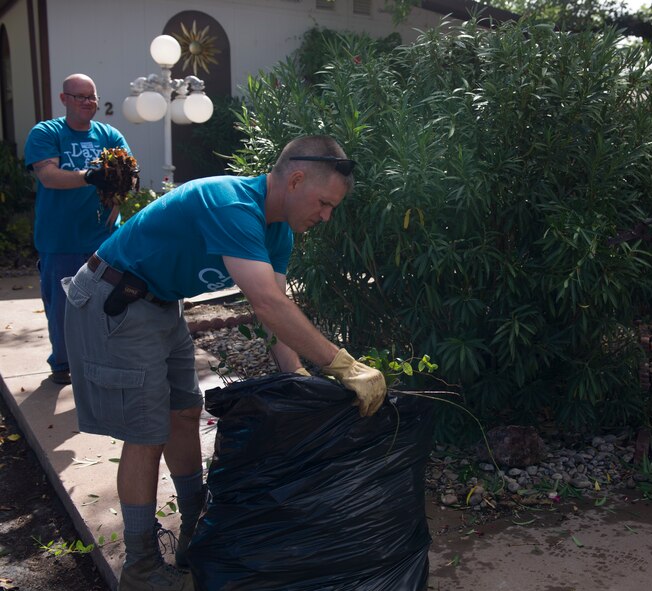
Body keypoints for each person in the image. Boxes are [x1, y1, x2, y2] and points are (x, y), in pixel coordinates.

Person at [63, 134, 387, 591]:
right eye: (324, 202)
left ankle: (196, 528)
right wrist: (344, 366)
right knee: (146, 432)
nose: (326, 216)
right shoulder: (230, 203)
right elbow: (270, 303)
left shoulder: (277, 233)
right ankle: (140, 569)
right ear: (295, 180)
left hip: (160, 302)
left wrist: (295, 378)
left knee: (185, 413)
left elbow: (269, 314)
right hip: (114, 298)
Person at [24, 73, 130, 385]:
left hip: (105, 240)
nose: (87, 102)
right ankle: (62, 364)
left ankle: (105, 358)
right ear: (64, 99)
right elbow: (49, 176)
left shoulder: (108, 134)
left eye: (91, 96)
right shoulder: (47, 132)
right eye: (79, 96)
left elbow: (128, 171)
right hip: (61, 239)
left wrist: (117, 197)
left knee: (109, 302)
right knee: (63, 308)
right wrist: (89, 176)